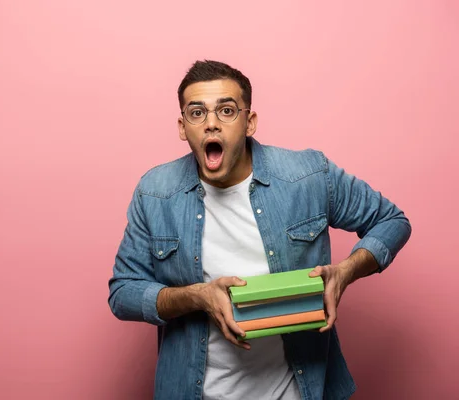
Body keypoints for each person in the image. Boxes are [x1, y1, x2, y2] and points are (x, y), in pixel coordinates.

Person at [108, 60, 411, 400]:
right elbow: (123, 293)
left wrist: (345, 272)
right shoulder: (155, 193)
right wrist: (197, 296)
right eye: (197, 113)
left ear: (249, 121)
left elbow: (392, 221)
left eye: (226, 110)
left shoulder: (308, 176)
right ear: (182, 127)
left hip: (299, 390)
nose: (211, 124)